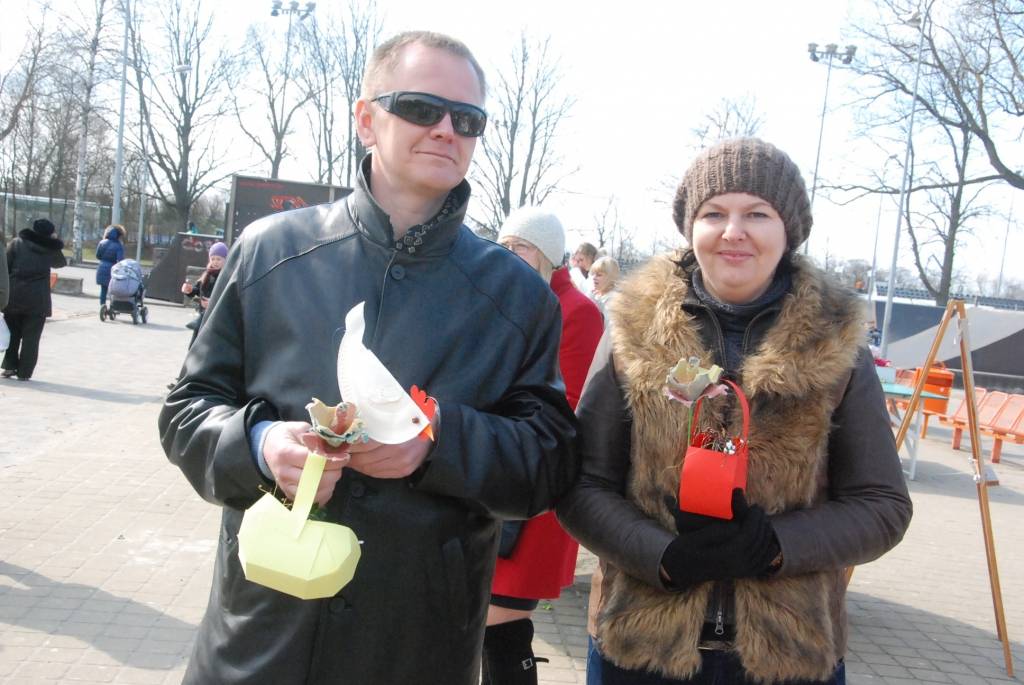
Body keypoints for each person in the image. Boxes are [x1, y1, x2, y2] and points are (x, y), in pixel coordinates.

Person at [158, 31, 578, 685]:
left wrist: (437, 442)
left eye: (467, 119)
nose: (445, 129)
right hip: (261, 639)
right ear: (365, 119)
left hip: (416, 645)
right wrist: (262, 445)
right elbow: (187, 411)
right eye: (420, 108)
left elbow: (549, 462)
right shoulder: (270, 252)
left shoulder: (518, 296)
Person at [557, 138, 913, 685]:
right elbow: (582, 485)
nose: (733, 231)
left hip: (788, 655)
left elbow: (882, 505)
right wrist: (663, 555)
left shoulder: (838, 342)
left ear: (789, 229)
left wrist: (776, 546)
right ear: (690, 227)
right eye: (714, 213)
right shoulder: (631, 330)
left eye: (757, 214)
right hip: (640, 646)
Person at [489, 207, 603, 685]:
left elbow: (569, 407)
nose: (510, 254)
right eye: (505, 245)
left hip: (536, 492)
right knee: (491, 628)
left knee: (502, 622)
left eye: (522, 246)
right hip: (496, 477)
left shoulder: (577, 311)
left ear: (548, 254)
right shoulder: (510, 299)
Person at [3, 218, 67, 381]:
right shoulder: (50, 248)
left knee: (12, 334)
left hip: (14, 296)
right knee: (31, 339)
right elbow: (61, 263)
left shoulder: (17, 243)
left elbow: (6, 266)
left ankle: (9, 367)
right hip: (38, 300)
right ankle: (24, 373)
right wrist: (54, 242)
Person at [180, 241, 227, 346]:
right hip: (203, 317)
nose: (215, 262)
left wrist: (212, 303)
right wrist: (189, 290)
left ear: (226, 259)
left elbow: (230, 297)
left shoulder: (227, 276)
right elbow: (197, 291)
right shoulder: (207, 274)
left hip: (218, 321)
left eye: (219, 259)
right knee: (195, 347)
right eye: (213, 259)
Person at [95, 224, 125, 311]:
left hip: (101, 267)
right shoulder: (118, 245)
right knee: (113, 290)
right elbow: (120, 260)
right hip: (112, 270)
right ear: (119, 235)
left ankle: (102, 306)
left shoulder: (102, 242)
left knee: (103, 290)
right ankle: (112, 307)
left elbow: (97, 256)